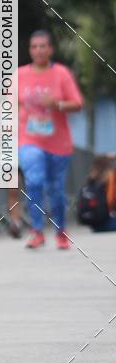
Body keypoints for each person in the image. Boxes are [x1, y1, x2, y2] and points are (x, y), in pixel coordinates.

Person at [18, 30, 84, 250]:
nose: (39, 50)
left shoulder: (62, 74)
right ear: (30, 50)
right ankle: (36, 230)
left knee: (56, 189)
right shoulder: (18, 75)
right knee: (34, 181)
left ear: (51, 49)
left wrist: (57, 104)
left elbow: (77, 104)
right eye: (34, 46)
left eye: (43, 46)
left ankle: (60, 231)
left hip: (58, 143)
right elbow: (8, 105)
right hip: (29, 139)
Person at [77, 154, 116, 232]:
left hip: (94, 225)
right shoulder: (110, 176)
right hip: (108, 222)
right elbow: (111, 200)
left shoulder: (92, 177)